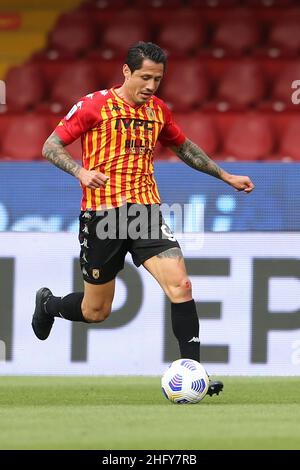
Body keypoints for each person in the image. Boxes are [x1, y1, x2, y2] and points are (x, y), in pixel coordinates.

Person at [32, 42, 254, 396]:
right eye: (145, 77)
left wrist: (225, 176)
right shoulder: (94, 105)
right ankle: (49, 304)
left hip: (144, 213)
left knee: (181, 286)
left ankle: (194, 373)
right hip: (102, 217)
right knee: (96, 311)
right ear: (126, 72)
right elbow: (51, 146)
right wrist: (80, 171)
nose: (151, 86)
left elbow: (183, 147)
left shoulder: (158, 111)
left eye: (158, 79)